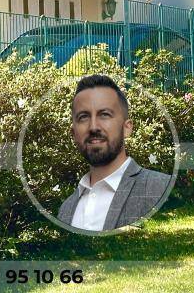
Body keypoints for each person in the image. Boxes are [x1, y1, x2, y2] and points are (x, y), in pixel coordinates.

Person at [57, 74, 172, 232]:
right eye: (83, 117)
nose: (93, 127)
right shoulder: (66, 211)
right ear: (73, 132)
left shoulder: (161, 189)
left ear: (127, 128)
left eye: (105, 115)